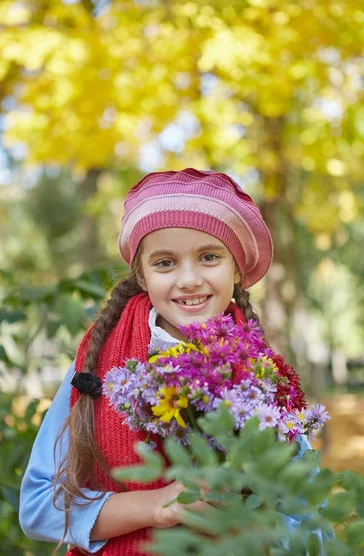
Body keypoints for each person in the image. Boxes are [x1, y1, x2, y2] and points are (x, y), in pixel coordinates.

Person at [19, 168, 324, 555]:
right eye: (165, 263)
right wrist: (158, 507)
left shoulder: (262, 375)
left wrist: (251, 522)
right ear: (143, 276)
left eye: (209, 257)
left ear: (236, 271)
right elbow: (38, 508)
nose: (189, 279)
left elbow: (307, 514)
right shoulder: (95, 366)